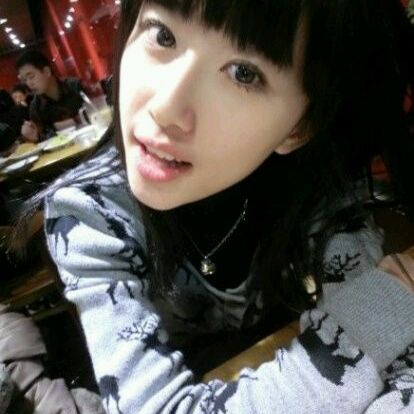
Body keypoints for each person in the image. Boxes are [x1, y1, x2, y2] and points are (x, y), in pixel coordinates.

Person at [16, 0, 414, 412]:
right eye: (163, 35)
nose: (165, 108)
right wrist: (374, 323)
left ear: (299, 127)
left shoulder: (311, 181)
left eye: (244, 73)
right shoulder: (89, 214)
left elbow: (403, 372)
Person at [16, 50, 84, 142]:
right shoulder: (36, 107)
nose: (29, 84)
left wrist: (58, 126)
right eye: (25, 80)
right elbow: (43, 139)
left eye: (31, 77)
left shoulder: (75, 86)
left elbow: (96, 110)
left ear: (47, 71)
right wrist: (34, 136)